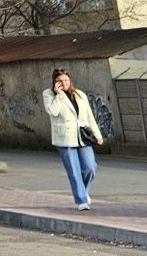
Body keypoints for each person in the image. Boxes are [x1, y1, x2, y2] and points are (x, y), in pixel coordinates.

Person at [42, 68, 104, 209]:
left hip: (83, 137)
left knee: (90, 168)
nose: (64, 83)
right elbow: (53, 111)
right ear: (54, 82)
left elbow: (89, 116)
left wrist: (97, 134)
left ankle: (83, 191)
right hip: (64, 138)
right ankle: (81, 200)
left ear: (70, 81)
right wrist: (59, 95)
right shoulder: (48, 94)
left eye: (66, 80)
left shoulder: (79, 94)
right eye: (60, 81)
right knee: (74, 171)